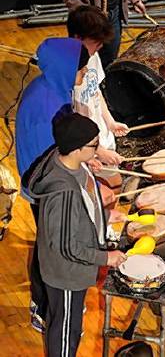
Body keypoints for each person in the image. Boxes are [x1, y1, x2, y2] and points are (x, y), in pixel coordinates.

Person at [25, 110, 127, 357]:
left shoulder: (71, 162)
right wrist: (107, 258)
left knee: (68, 324)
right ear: (77, 148)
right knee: (65, 332)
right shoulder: (62, 193)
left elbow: (84, 206)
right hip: (66, 274)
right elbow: (67, 247)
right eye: (94, 145)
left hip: (72, 268)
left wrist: (104, 216)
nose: (98, 148)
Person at [14, 37, 90, 333]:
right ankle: (44, 306)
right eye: (81, 71)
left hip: (47, 186)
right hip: (45, 191)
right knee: (51, 247)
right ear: (66, 68)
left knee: (49, 242)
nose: (83, 77)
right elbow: (51, 161)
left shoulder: (54, 89)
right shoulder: (47, 106)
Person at [67, 6, 130, 169]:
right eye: (96, 41)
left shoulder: (93, 56)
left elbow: (96, 92)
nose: (100, 46)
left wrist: (110, 122)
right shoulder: (66, 73)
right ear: (78, 37)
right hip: (85, 150)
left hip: (102, 138)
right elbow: (71, 124)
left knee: (114, 188)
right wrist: (98, 151)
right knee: (104, 192)